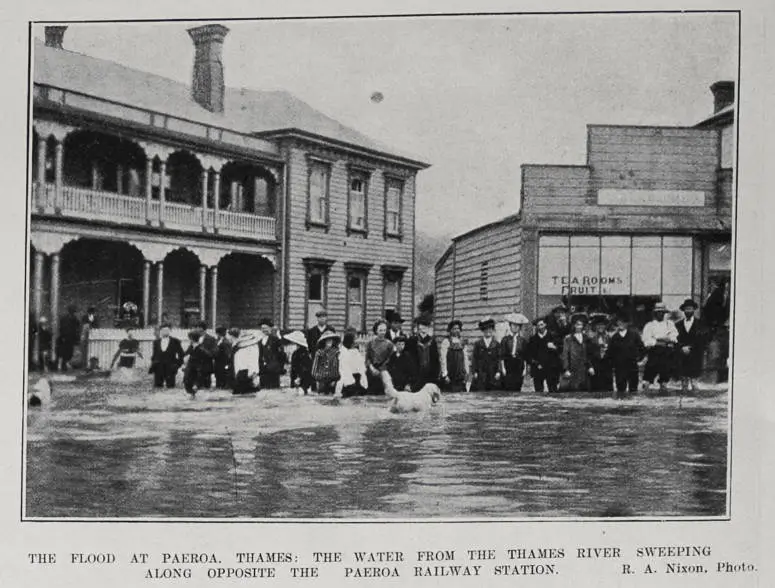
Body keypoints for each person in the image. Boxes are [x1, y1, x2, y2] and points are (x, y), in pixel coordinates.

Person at [642, 302, 678, 395]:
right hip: (654, 353)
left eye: (662, 312)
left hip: (666, 354)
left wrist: (663, 339)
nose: (660, 314)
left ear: (664, 313)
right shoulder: (649, 325)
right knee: (647, 379)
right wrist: (658, 341)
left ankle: (663, 396)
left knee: (664, 379)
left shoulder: (669, 324)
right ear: (655, 313)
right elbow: (646, 341)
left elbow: (674, 337)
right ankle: (646, 397)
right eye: (658, 312)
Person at [607, 316, 645, 399]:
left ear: (627, 324)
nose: (621, 324)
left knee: (633, 389)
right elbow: (610, 353)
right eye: (619, 322)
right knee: (620, 390)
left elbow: (642, 348)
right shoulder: (614, 337)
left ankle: (633, 408)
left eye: (623, 322)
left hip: (632, 366)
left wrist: (639, 360)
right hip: (619, 368)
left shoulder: (634, 335)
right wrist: (613, 364)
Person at [675, 299, 707, 393]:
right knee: (683, 379)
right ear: (683, 310)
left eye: (690, 309)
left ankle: (695, 398)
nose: (688, 311)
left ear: (694, 310)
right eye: (686, 309)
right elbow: (675, 338)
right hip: (682, 353)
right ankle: (684, 394)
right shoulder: (678, 324)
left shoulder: (700, 324)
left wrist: (691, 348)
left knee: (694, 381)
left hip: (695, 353)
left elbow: (702, 339)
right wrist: (681, 347)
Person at [526, 317, 562, 393]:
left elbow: (561, 351)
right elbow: (529, 355)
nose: (540, 327)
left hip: (551, 368)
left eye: (542, 324)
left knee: (553, 391)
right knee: (539, 391)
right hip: (538, 368)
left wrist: (554, 347)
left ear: (545, 324)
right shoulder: (533, 339)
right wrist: (535, 363)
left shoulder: (553, 336)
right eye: (538, 325)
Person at [407, 315, 440, 389]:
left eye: (426, 326)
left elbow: (435, 359)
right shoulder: (412, 340)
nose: (423, 328)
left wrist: (435, 374)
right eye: (422, 326)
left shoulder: (432, 342)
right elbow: (410, 358)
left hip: (429, 375)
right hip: (416, 374)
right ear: (418, 328)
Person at [561, 315, 592, 392]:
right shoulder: (568, 338)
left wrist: (590, 366)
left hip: (583, 369)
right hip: (573, 368)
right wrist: (566, 369)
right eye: (577, 324)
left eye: (581, 325)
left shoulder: (586, 338)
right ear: (574, 325)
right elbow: (565, 354)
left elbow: (589, 354)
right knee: (573, 390)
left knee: (585, 390)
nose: (579, 327)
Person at [149, 324, 185, 389]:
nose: (165, 332)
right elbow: (154, 355)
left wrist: (177, 365)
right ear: (160, 331)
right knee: (158, 387)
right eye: (163, 330)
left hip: (170, 367)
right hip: (158, 367)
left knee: (170, 387)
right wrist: (153, 364)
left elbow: (181, 354)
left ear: (170, 331)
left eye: (167, 330)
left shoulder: (175, 341)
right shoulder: (156, 342)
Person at [365, 319, 395, 395]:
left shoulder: (389, 344)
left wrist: (381, 369)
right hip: (372, 369)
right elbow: (367, 358)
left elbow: (390, 359)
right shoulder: (370, 343)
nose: (382, 332)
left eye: (384, 330)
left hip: (384, 369)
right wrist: (371, 368)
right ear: (376, 330)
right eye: (380, 330)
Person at [500, 312, 528, 392]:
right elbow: (502, 355)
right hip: (508, 365)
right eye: (513, 325)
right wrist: (503, 368)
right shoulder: (505, 339)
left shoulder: (522, 340)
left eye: (517, 326)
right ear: (510, 326)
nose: (515, 327)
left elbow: (524, 356)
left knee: (517, 387)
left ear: (520, 327)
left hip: (519, 365)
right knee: (507, 387)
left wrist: (525, 369)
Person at [336, 330, 368, 398]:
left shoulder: (356, 351)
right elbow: (344, 369)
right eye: (355, 339)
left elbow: (361, 366)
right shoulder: (343, 352)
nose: (356, 341)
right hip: (348, 379)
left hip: (357, 377)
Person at [471, 318, 501, 391]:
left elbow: (499, 359)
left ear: (493, 330)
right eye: (486, 329)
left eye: (490, 329)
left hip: (493, 373)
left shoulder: (497, 344)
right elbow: (474, 359)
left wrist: (498, 371)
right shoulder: (478, 344)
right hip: (481, 373)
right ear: (483, 331)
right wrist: (475, 372)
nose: (488, 331)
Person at [439, 320, 469, 392]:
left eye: (458, 328)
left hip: (460, 373)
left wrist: (467, 372)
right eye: (454, 329)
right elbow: (443, 358)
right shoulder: (446, 341)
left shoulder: (462, 342)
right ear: (450, 330)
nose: (456, 330)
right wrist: (445, 373)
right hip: (450, 373)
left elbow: (465, 358)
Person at [586, 314, 613, 394]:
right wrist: (590, 366)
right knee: (595, 390)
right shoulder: (590, 338)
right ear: (595, 326)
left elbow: (613, 353)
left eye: (602, 325)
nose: (600, 327)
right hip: (595, 367)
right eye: (598, 325)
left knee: (608, 391)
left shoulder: (610, 337)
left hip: (607, 368)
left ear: (605, 326)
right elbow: (587, 354)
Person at [259, 318, 287, 389]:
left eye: (266, 328)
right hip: (262, 369)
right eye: (262, 328)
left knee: (273, 389)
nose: (264, 330)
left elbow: (282, 354)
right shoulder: (259, 340)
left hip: (273, 369)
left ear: (270, 328)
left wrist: (280, 367)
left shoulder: (275, 339)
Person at [232, 330, 261, 395]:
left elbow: (253, 360)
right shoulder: (238, 348)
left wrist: (253, 374)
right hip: (241, 373)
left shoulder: (253, 347)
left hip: (248, 373)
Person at [284, 330, 313, 394]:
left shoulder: (303, 353)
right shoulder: (296, 352)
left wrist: (299, 377)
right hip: (297, 377)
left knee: (301, 393)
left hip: (302, 378)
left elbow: (306, 367)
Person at [183, 331, 212, 396]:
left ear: (191, 339)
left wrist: (197, 383)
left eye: (189, 339)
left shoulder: (201, 350)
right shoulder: (191, 348)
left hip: (196, 377)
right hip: (189, 376)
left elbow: (203, 367)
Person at [56, 305, 81, 371]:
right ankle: (63, 366)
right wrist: (63, 336)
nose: (73, 313)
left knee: (69, 352)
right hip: (65, 337)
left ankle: (65, 365)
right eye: (72, 311)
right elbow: (62, 328)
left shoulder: (74, 319)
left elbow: (77, 328)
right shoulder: (65, 319)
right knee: (64, 352)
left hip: (70, 338)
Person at [195, 321, 217, 389]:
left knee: (206, 386)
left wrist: (202, 349)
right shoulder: (195, 338)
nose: (197, 330)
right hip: (196, 367)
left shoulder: (211, 339)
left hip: (206, 367)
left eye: (198, 328)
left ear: (202, 329)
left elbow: (214, 353)